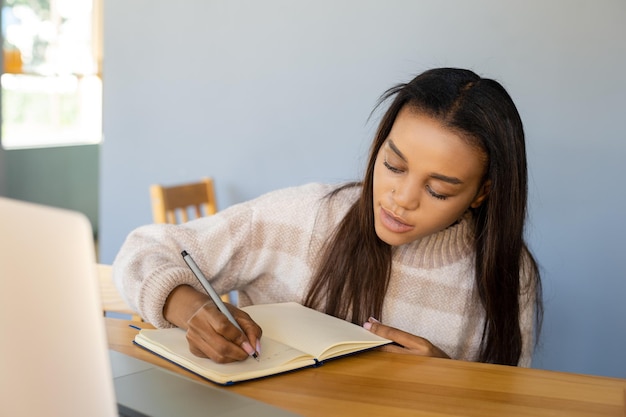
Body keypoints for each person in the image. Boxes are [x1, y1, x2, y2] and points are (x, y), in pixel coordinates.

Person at [113, 67, 542, 367]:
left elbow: (508, 397)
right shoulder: (304, 218)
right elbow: (143, 249)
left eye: (438, 190)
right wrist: (191, 309)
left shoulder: (508, 272)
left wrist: (449, 381)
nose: (401, 198)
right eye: (393, 166)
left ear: (482, 193)